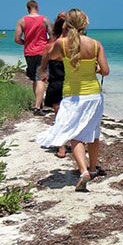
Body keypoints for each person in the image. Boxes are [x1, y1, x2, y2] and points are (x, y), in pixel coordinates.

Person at [36, 9, 109, 191]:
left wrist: (62, 36)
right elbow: (105, 70)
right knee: (93, 133)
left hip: (72, 96)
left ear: (67, 25)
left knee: (74, 134)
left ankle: (83, 170)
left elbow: (52, 56)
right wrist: (95, 69)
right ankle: (92, 169)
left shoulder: (62, 43)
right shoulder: (95, 44)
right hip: (94, 95)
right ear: (85, 24)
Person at [14, 0, 53, 115]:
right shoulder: (45, 19)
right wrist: (46, 44)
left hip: (29, 52)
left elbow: (16, 39)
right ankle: (37, 107)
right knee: (40, 78)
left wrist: (25, 43)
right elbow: (51, 36)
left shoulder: (22, 21)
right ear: (38, 8)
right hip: (42, 51)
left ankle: (38, 102)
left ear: (27, 9)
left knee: (34, 78)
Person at [41, 12, 67, 158]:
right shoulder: (76, 46)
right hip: (72, 83)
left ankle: (61, 147)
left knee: (59, 115)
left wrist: (45, 76)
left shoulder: (50, 46)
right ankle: (78, 144)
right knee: (74, 115)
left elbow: (43, 69)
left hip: (56, 83)